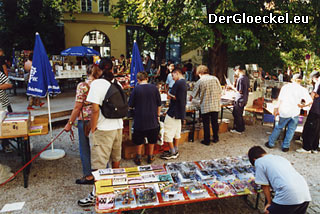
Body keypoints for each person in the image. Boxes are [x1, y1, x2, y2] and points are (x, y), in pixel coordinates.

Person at [78, 58, 123, 207]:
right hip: (118, 127)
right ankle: (115, 189)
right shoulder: (117, 83)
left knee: (99, 164)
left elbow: (95, 109)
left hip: (103, 129)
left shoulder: (97, 84)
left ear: (99, 68)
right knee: (115, 159)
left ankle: (97, 194)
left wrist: (92, 127)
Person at [64, 64, 102, 184]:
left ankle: (88, 175)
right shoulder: (101, 84)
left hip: (85, 120)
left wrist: (69, 123)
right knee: (99, 147)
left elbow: (77, 107)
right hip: (100, 119)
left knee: (85, 148)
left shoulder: (83, 86)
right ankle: (102, 173)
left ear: (87, 72)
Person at [248, 146, 311, 214]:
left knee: (268, 212)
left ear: (254, 159)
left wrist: (269, 203)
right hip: (305, 194)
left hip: (289, 194)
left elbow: (264, 185)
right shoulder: (280, 158)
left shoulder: (259, 161)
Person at [265, 74, 312, 152]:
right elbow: (310, 101)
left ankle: (271, 143)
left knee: (279, 127)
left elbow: (280, 99)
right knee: (291, 130)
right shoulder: (303, 89)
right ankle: (286, 146)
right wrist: (302, 105)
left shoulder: (286, 87)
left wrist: (276, 108)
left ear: (292, 79)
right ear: (300, 80)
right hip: (295, 112)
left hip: (285, 111)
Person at [129, 72, 161, 165]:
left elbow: (131, 105)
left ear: (138, 79)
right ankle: (150, 156)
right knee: (152, 139)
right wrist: (158, 116)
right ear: (147, 78)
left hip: (140, 119)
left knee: (139, 140)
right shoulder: (154, 88)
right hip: (152, 119)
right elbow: (159, 104)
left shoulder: (136, 89)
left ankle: (138, 157)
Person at [190, 65, 222, 145]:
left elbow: (193, 95)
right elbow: (220, 90)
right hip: (215, 104)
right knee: (215, 122)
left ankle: (207, 140)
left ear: (200, 73)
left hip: (205, 105)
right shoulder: (215, 78)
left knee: (206, 124)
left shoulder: (200, 81)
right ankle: (215, 137)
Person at [160, 68, 187, 160]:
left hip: (173, 111)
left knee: (168, 131)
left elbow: (172, 95)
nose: (172, 78)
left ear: (177, 73)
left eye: (173, 75)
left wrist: (167, 93)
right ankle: (175, 149)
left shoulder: (178, 83)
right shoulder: (184, 82)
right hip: (180, 111)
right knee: (176, 131)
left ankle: (172, 151)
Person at [297, 70, 320, 154]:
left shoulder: (318, 82)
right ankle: (314, 147)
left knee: (309, 127)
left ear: (314, 78)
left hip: (316, 109)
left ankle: (307, 147)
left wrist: (304, 105)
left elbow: (313, 95)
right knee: (317, 129)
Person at [229, 65, 249, 134]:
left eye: (235, 70)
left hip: (240, 99)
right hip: (244, 99)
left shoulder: (241, 78)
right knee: (239, 114)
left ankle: (239, 129)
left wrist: (231, 87)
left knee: (237, 114)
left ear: (239, 70)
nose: (235, 72)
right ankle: (242, 127)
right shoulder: (246, 78)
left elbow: (239, 90)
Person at [0, 71, 13, 153]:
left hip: (3, 104)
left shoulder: (0, 74)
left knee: (6, 125)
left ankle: (6, 144)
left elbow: (9, 84)